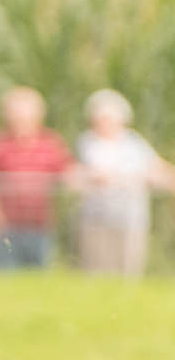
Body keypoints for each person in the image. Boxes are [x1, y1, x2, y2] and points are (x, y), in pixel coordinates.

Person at [72, 89, 174, 276]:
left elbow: (155, 166)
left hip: (130, 217)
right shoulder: (87, 142)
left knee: (128, 267)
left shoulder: (134, 143)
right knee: (97, 267)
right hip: (96, 217)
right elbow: (82, 172)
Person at [0, 86, 74, 270]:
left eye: (26, 117)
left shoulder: (50, 144)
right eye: (16, 116)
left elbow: (69, 172)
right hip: (5, 229)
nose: (21, 122)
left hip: (40, 227)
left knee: (39, 278)